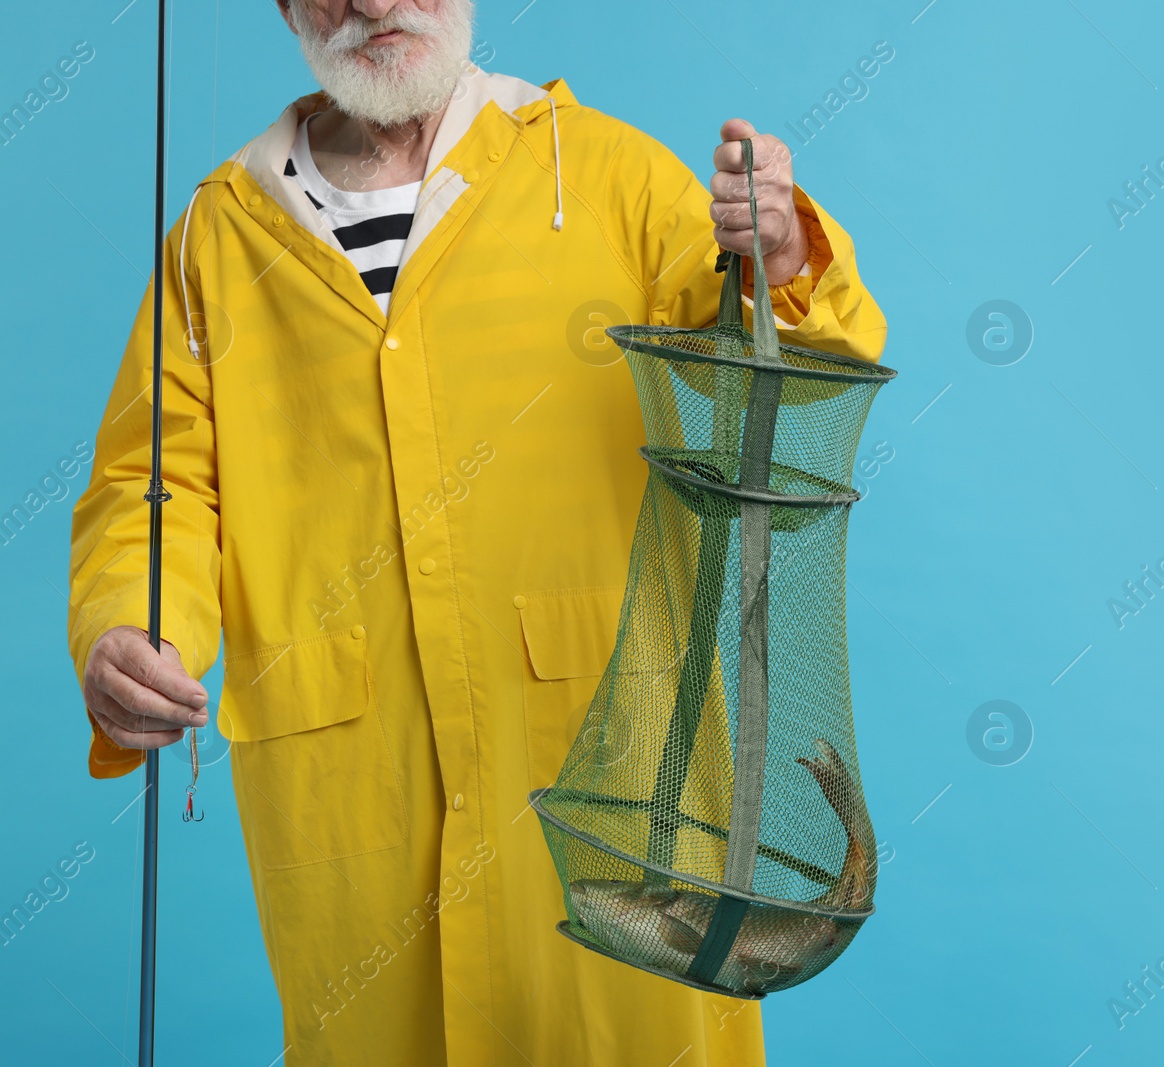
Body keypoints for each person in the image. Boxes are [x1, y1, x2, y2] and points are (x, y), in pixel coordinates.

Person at [65, 1, 887, 1063]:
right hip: (353, 805)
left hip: (611, 781)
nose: (370, 1)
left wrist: (777, 258)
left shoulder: (608, 177)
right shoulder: (218, 236)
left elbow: (788, 376)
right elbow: (157, 478)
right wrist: (131, 625)